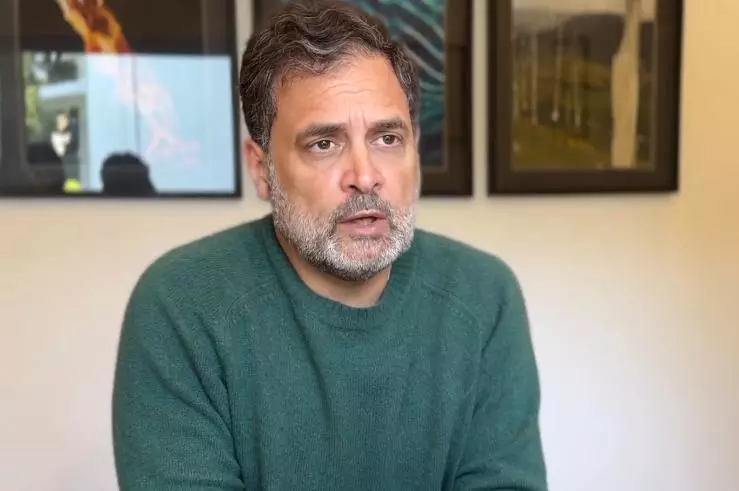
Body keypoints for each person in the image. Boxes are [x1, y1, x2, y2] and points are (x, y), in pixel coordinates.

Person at [111, 0, 547, 489]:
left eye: (387, 138)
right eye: (324, 144)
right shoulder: (182, 305)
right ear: (262, 170)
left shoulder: (484, 296)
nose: (365, 176)